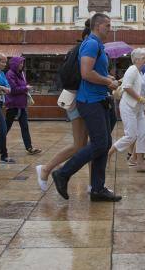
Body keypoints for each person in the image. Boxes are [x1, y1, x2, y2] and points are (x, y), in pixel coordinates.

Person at [52, 13, 121, 202]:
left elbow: (94, 72)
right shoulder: (91, 44)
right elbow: (86, 73)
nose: (110, 28)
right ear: (98, 26)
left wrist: (108, 79)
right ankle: (63, 173)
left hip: (99, 99)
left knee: (104, 144)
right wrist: (108, 81)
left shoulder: (97, 45)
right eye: (108, 25)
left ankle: (98, 189)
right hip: (90, 101)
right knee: (99, 143)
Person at [36, 22, 92, 191]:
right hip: (81, 100)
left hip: (76, 98)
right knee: (83, 145)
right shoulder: (86, 49)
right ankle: (46, 169)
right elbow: (87, 76)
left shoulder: (76, 50)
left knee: (88, 144)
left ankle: (93, 183)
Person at [108, 48, 145, 172]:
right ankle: (109, 152)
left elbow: (140, 89)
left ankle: (139, 163)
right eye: (144, 57)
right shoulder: (132, 70)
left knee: (143, 134)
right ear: (137, 59)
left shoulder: (140, 72)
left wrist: (144, 105)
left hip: (138, 108)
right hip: (128, 107)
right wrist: (141, 99)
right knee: (131, 136)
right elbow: (127, 87)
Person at [3, 56, 41, 156]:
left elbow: (22, 86)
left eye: (22, 63)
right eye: (20, 63)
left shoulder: (22, 74)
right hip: (13, 105)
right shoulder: (10, 74)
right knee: (7, 127)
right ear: (15, 64)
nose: (22, 65)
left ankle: (29, 147)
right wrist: (26, 88)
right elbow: (13, 89)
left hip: (22, 105)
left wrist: (26, 87)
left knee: (25, 126)